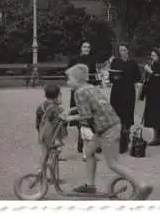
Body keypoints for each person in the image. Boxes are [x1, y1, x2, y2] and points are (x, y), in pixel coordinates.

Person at [63, 64, 153, 199]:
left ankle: (141, 185)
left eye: (69, 79)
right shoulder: (90, 87)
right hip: (110, 125)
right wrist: (73, 109)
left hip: (107, 129)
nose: (67, 82)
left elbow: (87, 115)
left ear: (77, 80)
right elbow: (95, 104)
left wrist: (70, 117)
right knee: (88, 152)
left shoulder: (79, 92)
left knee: (113, 163)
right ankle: (89, 185)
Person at [67, 41, 100, 157]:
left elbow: (94, 75)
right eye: (85, 47)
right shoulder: (75, 60)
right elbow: (69, 74)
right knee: (78, 113)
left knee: (89, 115)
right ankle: (81, 140)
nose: (87, 49)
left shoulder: (92, 60)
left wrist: (97, 82)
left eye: (88, 47)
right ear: (81, 48)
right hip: (77, 90)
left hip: (88, 90)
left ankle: (88, 142)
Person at [109, 43, 142, 153]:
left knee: (127, 114)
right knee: (116, 114)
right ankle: (117, 137)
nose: (122, 52)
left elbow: (138, 77)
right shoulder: (115, 62)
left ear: (128, 51)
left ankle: (126, 136)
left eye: (124, 50)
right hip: (117, 91)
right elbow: (110, 77)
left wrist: (132, 80)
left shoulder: (132, 63)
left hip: (128, 91)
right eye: (121, 50)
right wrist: (115, 77)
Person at [143, 48, 160, 146]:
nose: (152, 57)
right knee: (152, 114)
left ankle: (157, 137)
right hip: (151, 92)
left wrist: (151, 72)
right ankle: (155, 136)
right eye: (152, 55)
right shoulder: (153, 64)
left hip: (159, 92)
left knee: (157, 114)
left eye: (155, 55)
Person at [35, 84, 68, 164]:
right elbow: (62, 122)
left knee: (44, 153)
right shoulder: (56, 108)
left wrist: (39, 130)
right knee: (54, 149)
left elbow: (38, 121)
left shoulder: (41, 106)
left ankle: (41, 171)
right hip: (53, 135)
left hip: (42, 133)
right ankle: (53, 165)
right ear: (57, 96)